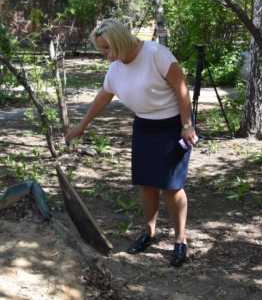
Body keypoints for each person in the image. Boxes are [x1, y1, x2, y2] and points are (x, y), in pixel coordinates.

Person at [66, 19, 197, 267]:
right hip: (145, 127)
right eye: (101, 49)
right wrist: (82, 126)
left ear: (120, 41)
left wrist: (187, 125)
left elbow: (181, 88)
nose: (105, 55)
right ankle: (149, 232)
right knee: (146, 183)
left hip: (173, 126)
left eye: (107, 48)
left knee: (171, 186)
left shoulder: (156, 54)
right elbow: (103, 97)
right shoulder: (116, 67)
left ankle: (180, 240)